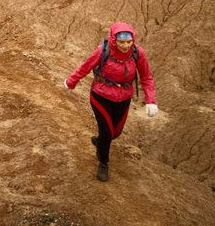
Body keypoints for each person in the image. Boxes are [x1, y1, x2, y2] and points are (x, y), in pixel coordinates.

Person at [64, 22, 158, 182]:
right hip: (101, 95)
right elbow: (85, 67)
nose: (126, 45)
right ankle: (103, 162)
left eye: (129, 42)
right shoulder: (103, 51)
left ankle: (99, 141)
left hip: (124, 98)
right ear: (114, 40)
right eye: (121, 42)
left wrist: (151, 100)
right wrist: (71, 82)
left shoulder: (137, 53)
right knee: (107, 132)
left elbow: (146, 77)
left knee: (115, 133)